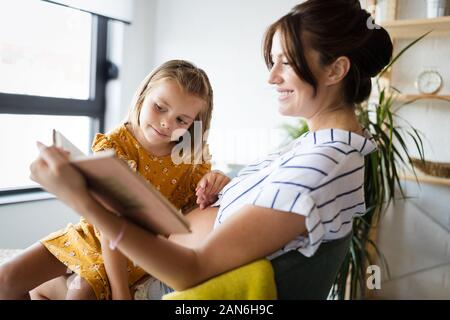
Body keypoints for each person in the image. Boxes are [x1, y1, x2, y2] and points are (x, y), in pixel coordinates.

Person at [1, 0, 393, 300]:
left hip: (149, 266)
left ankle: (58, 285)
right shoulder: (316, 150)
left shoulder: (320, 166)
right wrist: (221, 186)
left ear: (335, 71)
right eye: (272, 62)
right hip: (123, 247)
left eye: (285, 63)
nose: (271, 77)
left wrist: (81, 198)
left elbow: (193, 269)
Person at [0, 60, 230, 300]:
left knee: (79, 294)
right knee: (5, 278)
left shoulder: (192, 157)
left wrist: (216, 182)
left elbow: (197, 212)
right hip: (94, 234)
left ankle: (57, 286)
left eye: (181, 121)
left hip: (134, 250)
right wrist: (120, 294)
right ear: (143, 96)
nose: (166, 123)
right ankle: (53, 286)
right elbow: (106, 223)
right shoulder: (114, 145)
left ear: (194, 124)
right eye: (160, 107)